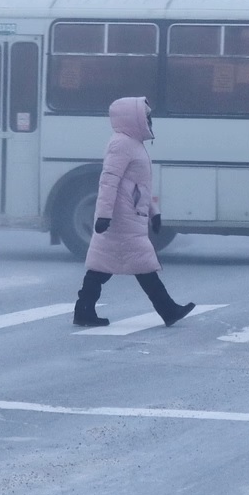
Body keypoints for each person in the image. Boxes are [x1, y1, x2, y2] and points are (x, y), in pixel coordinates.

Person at [73, 96, 196, 328]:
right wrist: (103, 216)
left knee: (104, 266)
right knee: (141, 264)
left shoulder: (131, 143)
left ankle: (84, 310)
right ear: (133, 117)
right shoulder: (121, 144)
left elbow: (138, 186)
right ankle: (168, 309)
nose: (149, 119)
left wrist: (154, 212)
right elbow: (109, 181)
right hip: (121, 218)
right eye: (146, 115)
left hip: (128, 215)